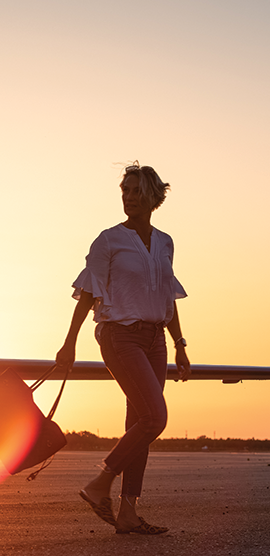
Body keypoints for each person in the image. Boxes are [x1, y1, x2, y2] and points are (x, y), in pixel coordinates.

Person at [56, 163, 191, 535]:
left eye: (135, 191)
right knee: (155, 418)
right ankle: (99, 484)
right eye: (125, 191)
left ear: (153, 196)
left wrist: (180, 344)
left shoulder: (165, 242)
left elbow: (168, 296)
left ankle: (129, 513)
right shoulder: (108, 240)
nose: (128, 197)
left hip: (156, 340)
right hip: (120, 336)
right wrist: (69, 342)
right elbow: (87, 294)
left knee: (139, 425)